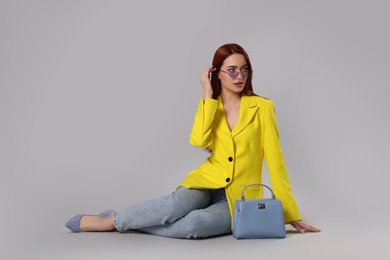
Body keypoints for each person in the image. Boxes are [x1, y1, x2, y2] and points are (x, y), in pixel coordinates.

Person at [65, 43, 321, 238]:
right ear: (217, 74)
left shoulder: (263, 108)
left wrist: (288, 213)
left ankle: (132, 223)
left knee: (195, 225)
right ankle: (111, 220)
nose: (239, 76)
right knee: (175, 204)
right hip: (207, 181)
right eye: (231, 70)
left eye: (244, 69)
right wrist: (208, 96)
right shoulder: (212, 105)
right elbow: (198, 141)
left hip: (239, 198)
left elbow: (276, 162)